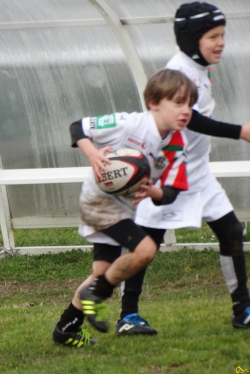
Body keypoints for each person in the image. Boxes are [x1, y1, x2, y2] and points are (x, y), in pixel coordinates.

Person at [107, 2, 250, 337]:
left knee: (231, 233)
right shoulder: (180, 70)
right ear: (191, 38)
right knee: (147, 246)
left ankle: (242, 309)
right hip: (170, 171)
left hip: (199, 172)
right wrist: (240, 131)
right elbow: (193, 119)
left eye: (222, 35)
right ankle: (128, 315)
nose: (220, 42)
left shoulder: (198, 66)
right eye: (213, 36)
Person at [52, 68, 197, 347]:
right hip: (99, 202)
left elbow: (171, 192)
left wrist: (154, 191)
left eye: (189, 104)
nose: (185, 110)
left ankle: (66, 326)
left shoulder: (178, 145)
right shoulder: (129, 123)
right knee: (145, 250)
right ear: (154, 102)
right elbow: (78, 127)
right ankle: (99, 293)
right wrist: (93, 153)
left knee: (102, 271)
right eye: (178, 102)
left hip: (123, 208)